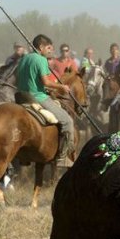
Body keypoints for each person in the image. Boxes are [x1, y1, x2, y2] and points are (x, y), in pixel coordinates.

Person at [16, 34, 74, 164]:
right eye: (48, 48)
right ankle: (63, 157)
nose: (50, 51)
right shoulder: (41, 59)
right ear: (41, 47)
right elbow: (46, 82)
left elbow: (24, 79)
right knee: (68, 121)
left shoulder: (24, 58)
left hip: (21, 96)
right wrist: (61, 87)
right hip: (37, 97)